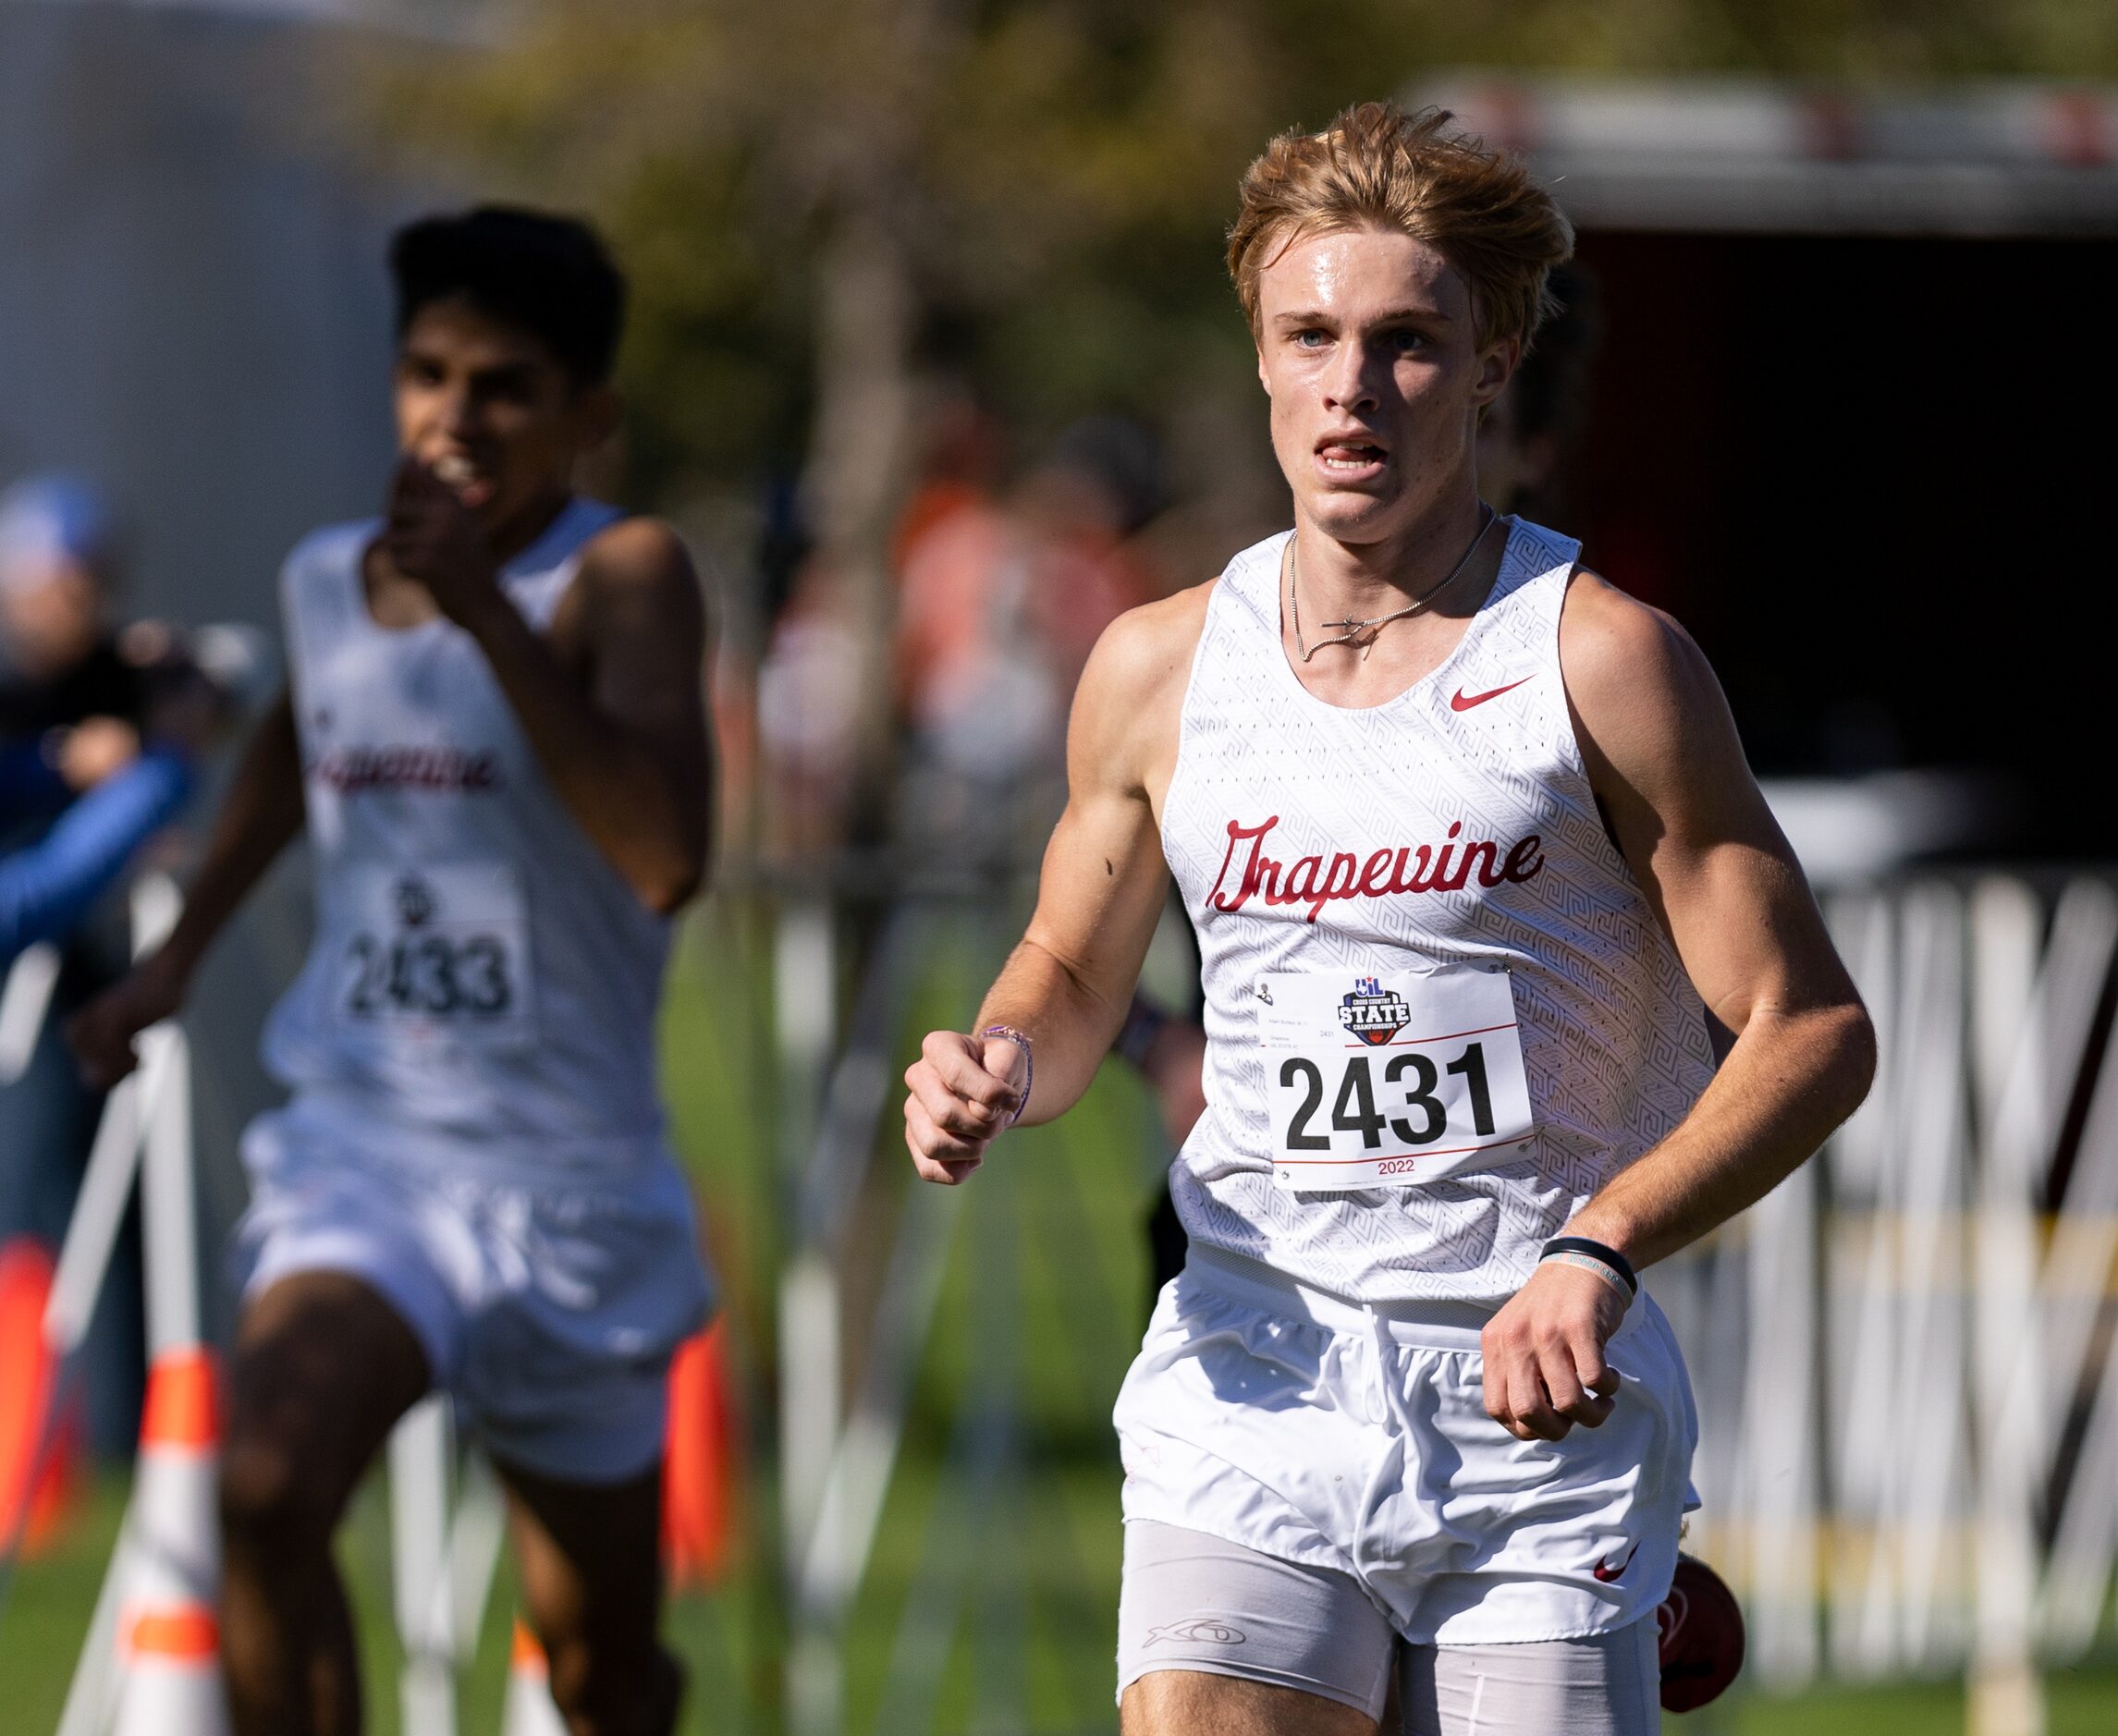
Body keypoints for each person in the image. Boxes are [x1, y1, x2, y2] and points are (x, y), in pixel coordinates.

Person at [900, 102, 1874, 1736]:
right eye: (1312, 336)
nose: (1353, 387)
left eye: (1407, 343)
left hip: (1536, 1389)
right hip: (1258, 1358)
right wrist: (997, 1053)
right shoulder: (1157, 665)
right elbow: (1074, 962)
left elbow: (1812, 1030)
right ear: (1263, 354)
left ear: (1493, 363)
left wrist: (1601, 1245)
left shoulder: (1600, 660)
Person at [70, 206, 716, 1736]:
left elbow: (663, 855)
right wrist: (175, 964)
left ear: (587, 415)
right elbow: (297, 753)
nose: (452, 417)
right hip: (370, 1150)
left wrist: (487, 612)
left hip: (569, 1183)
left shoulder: (621, 577)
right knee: (267, 1484)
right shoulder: (325, 577)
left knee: (599, 1669)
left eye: (503, 385)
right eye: (425, 373)